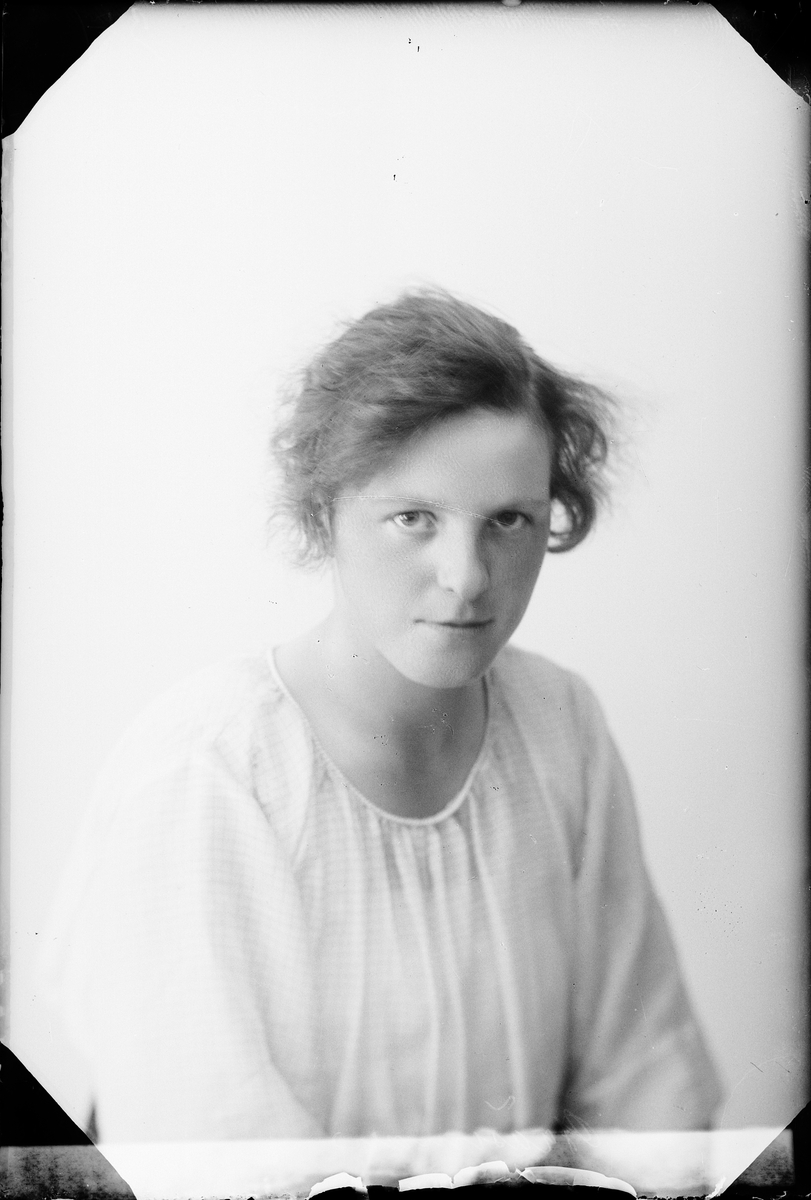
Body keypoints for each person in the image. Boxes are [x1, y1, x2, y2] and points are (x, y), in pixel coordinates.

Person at [44, 289, 723, 1144]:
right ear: (325, 511)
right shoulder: (208, 769)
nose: (466, 576)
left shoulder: (560, 724)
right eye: (413, 518)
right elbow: (211, 1153)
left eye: (508, 520)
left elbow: (645, 1076)